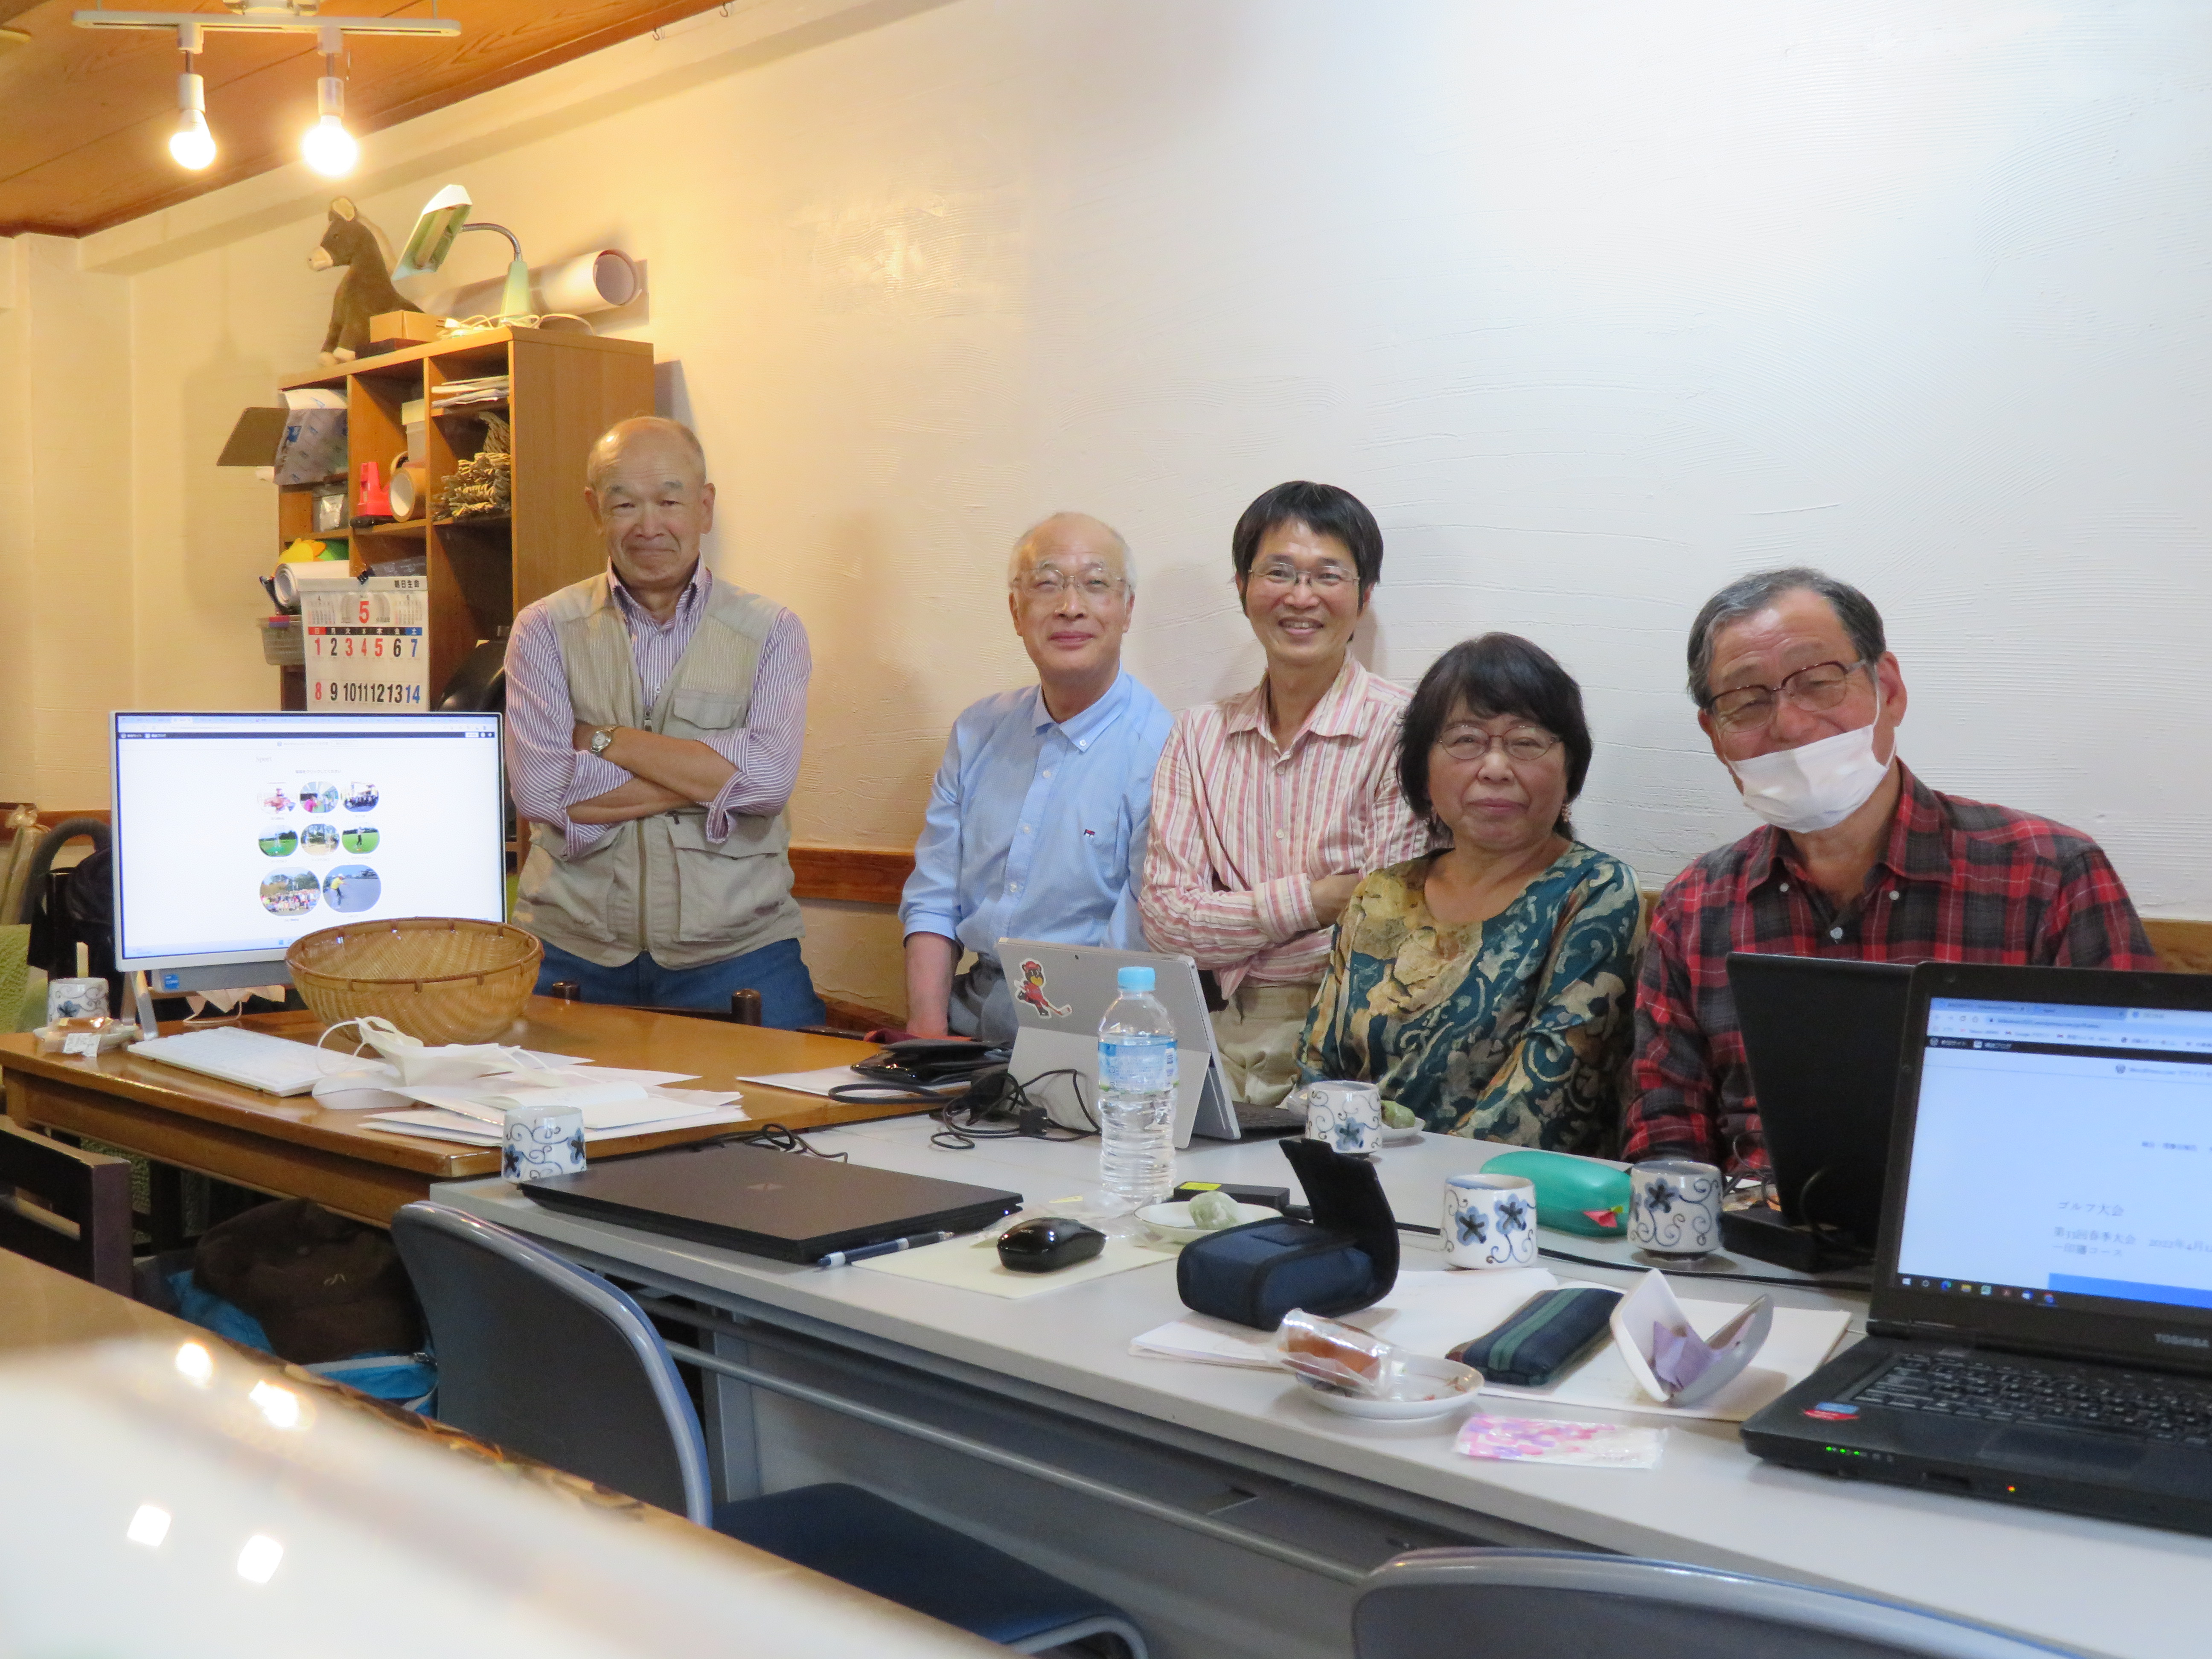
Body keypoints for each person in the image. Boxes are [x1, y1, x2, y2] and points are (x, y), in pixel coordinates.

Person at [1627, 566, 2157, 1170]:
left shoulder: (2051, 877)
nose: (1789, 724)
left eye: (1818, 681)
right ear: (1714, 734)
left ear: (1890, 690)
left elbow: (2134, 1116)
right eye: (1747, 701)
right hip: (1753, 1226)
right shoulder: (1694, 908)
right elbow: (1665, 1136)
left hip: (1985, 1220)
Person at [505, 415, 825, 1027]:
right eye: (625, 503)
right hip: (572, 946)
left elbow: (767, 784)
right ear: (596, 510)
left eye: (670, 501)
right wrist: (711, 777)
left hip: (741, 950)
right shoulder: (544, 629)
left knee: (798, 1085)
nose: (649, 526)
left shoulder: (772, 632)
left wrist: (607, 741)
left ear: (705, 507)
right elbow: (542, 792)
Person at [1140, 481, 1432, 1106]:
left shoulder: (1406, 728)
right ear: (1242, 588)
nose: (1301, 597)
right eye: (1278, 572)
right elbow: (1166, 922)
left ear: (1364, 596)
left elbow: (1384, 925)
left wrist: (1234, 918)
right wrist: (1316, 899)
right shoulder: (1197, 735)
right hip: (1221, 1029)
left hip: (1356, 1037)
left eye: (1328, 575)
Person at [1300, 634, 1642, 1153]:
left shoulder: (1596, 891)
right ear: (1423, 770)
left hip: (1506, 1190)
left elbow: (1542, 1102)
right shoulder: (1381, 893)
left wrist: (1411, 1178)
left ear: (1570, 768)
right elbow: (1318, 1070)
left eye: (1526, 742)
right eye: (1466, 741)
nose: (1496, 768)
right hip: (1358, 1176)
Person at [898, 513, 1173, 1044]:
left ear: (1127, 609)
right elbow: (934, 896)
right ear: (1016, 612)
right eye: (1048, 583)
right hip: (966, 1008)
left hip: (1086, 1022)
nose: (1071, 606)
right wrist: (927, 1040)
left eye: (1096, 583)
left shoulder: (1165, 752)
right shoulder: (978, 731)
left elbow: (1132, 949)